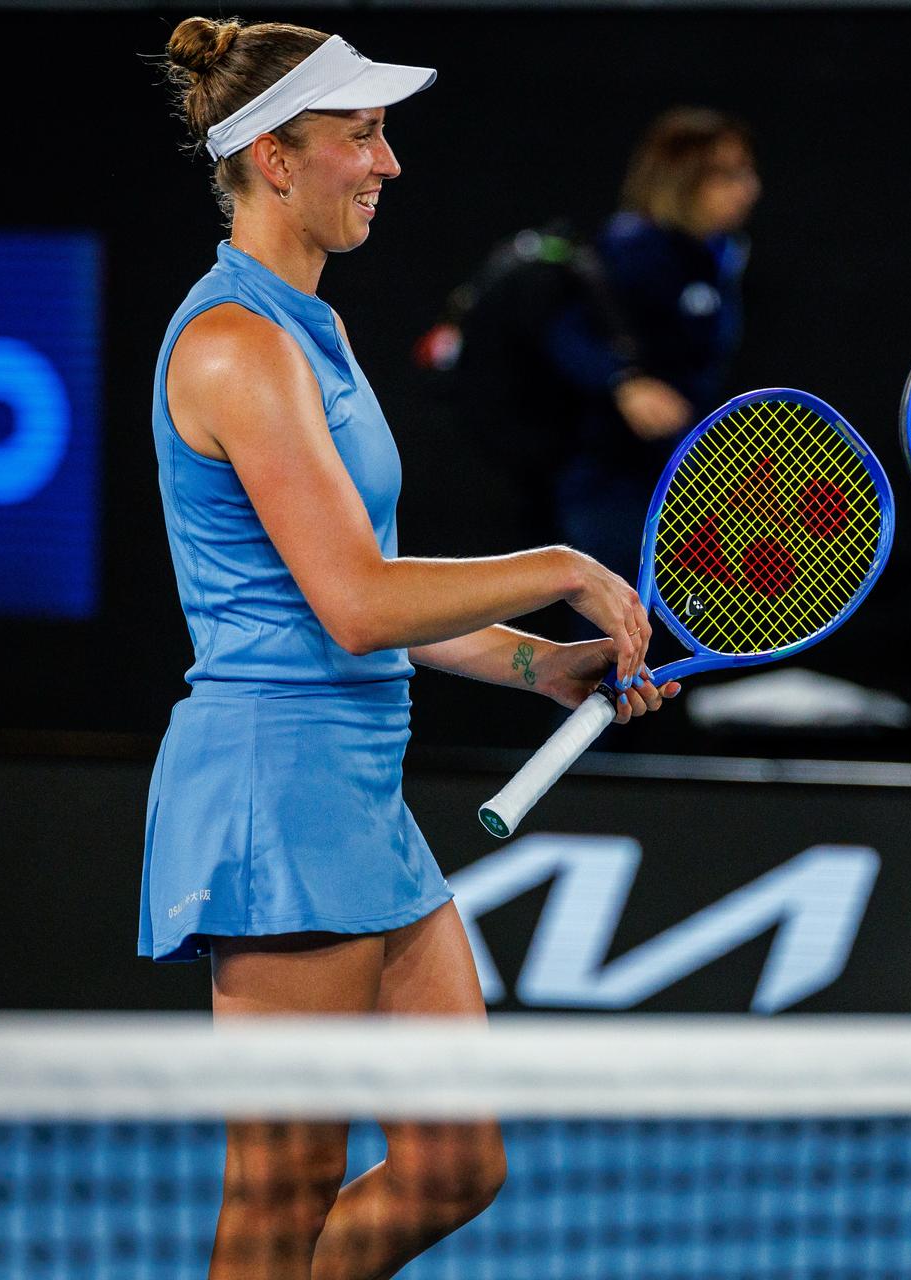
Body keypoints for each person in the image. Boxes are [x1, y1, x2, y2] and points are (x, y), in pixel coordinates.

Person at [147, 18, 678, 1278]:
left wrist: (534, 663)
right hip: (274, 794)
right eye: (363, 135)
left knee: (454, 1161)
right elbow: (357, 602)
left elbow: (367, 602)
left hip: (356, 792)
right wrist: (563, 566)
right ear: (276, 158)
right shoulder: (236, 345)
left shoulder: (308, 330)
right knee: (283, 1198)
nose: (388, 164)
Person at [545, 107, 760, 585]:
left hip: (682, 485)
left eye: (746, 171)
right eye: (727, 175)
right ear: (681, 179)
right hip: (612, 485)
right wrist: (624, 383)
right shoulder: (632, 249)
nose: (749, 188)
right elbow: (565, 333)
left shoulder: (718, 256)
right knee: (614, 641)